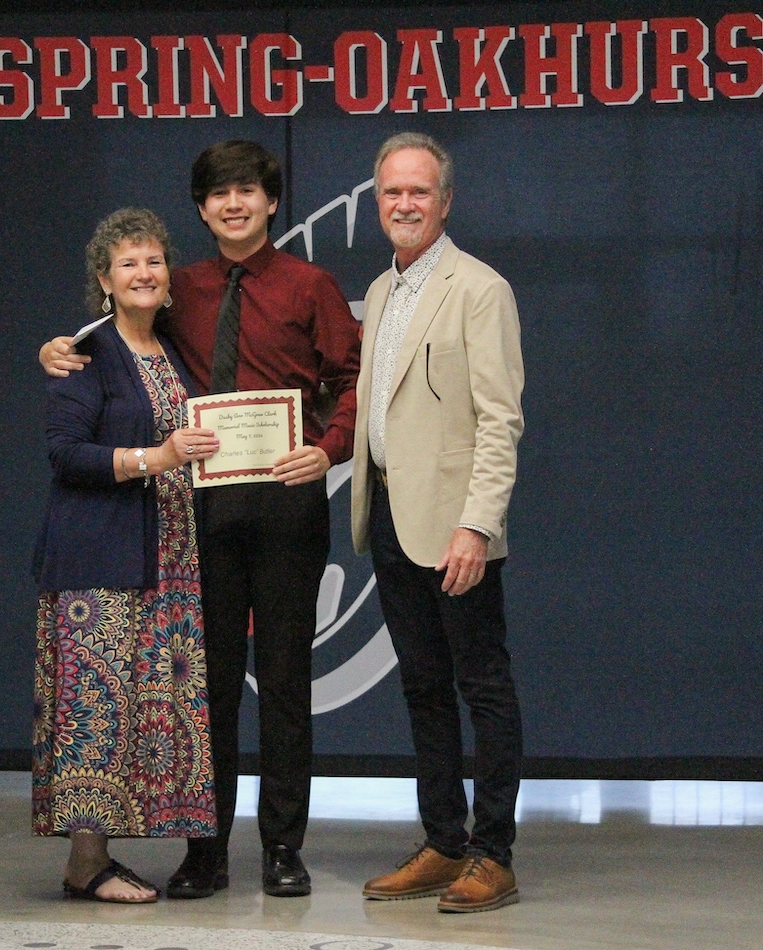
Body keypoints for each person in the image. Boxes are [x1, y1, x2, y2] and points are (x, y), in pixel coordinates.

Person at [41, 140, 361, 898]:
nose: (234, 204)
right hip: (199, 512)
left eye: (247, 191)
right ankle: (205, 852)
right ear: (201, 208)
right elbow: (107, 335)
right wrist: (56, 348)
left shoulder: (311, 285)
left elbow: (349, 381)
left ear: (272, 200)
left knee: (285, 683)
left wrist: (329, 451)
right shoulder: (178, 286)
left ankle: (283, 849)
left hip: (286, 501)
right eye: (218, 195)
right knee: (203, 689)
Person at [350, 132, 525, 913]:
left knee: (482, 686)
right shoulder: (381, 291)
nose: (405, 204)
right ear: (376, 202)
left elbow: (499, 421)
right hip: (388, 512)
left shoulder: (480, 289)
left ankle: (493, 854)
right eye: (392, 192)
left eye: (419, 191)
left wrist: (476, 528)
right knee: (423, 687)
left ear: (445, 202)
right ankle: (442, 840)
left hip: (455, 529)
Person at [32, 208, 220, 904]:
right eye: (128, 263)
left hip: (167, 558)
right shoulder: (86, 350)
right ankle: (85, 863)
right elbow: (65, 453)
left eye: (153, 261)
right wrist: (158, 456)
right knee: (96, 710)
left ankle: (101, 856)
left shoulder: (170, 348)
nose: (144, 273)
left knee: (138, 713)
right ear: (104, 281)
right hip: (97, 558)